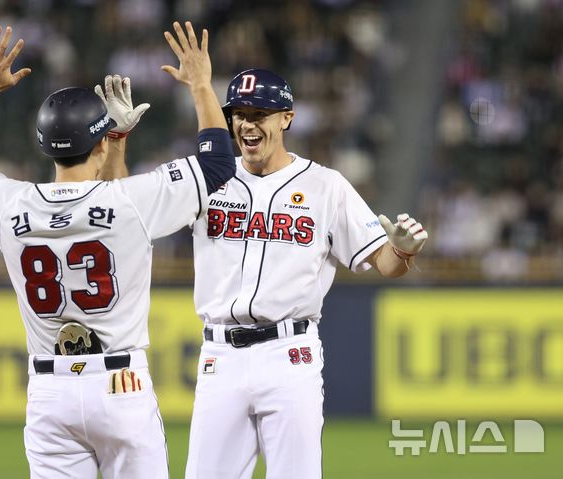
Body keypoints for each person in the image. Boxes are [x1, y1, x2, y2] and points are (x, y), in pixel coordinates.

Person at [0, 23, 234, 479]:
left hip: (49, 392)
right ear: (101, 142)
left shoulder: (10, 204)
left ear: (44, 146)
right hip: (121, 385)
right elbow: (219, 162)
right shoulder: (131, 202)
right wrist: (200, 83)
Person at [184, 69, 429, 478]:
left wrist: (403, 248)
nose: (247, 123)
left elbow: (385, 263)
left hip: (288, 354)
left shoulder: (325, 186)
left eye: (259, 112)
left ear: (286, 118)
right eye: (239, 113)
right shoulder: (208, 179)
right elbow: (129, 211)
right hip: (219, 355)